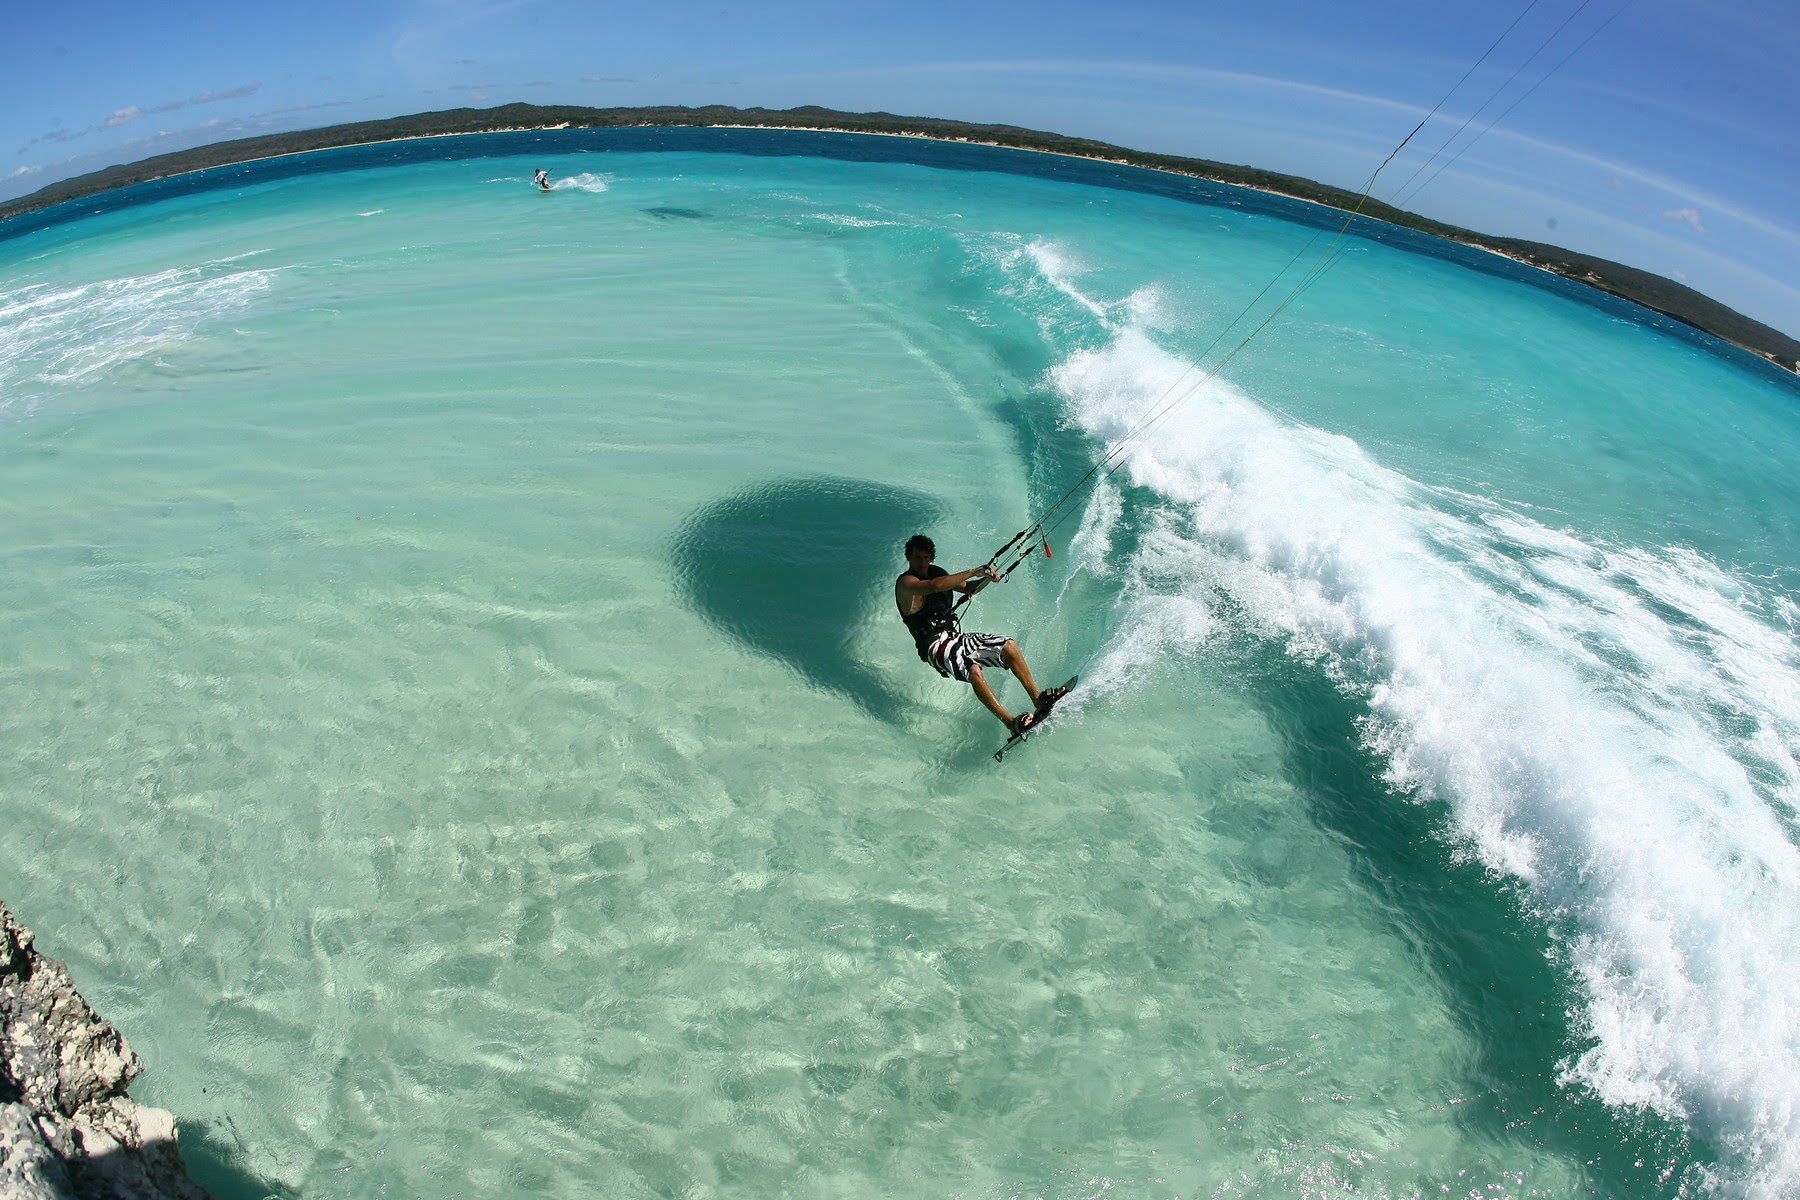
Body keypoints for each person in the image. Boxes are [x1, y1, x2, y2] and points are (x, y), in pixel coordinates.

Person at [895, 534, 1068, 736]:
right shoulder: (905, 583)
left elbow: (969, 588)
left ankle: (1038, 698)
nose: (922, 563)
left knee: (1008, 645)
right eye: (917, 558)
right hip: (933, 646)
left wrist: (986, 578)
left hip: (954, 637)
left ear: (932, 557)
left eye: (926, 558)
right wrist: (973, 571)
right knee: (973, 668)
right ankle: (1010, 722)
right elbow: (933, 587)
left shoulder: (937, 572)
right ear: (908, 556)